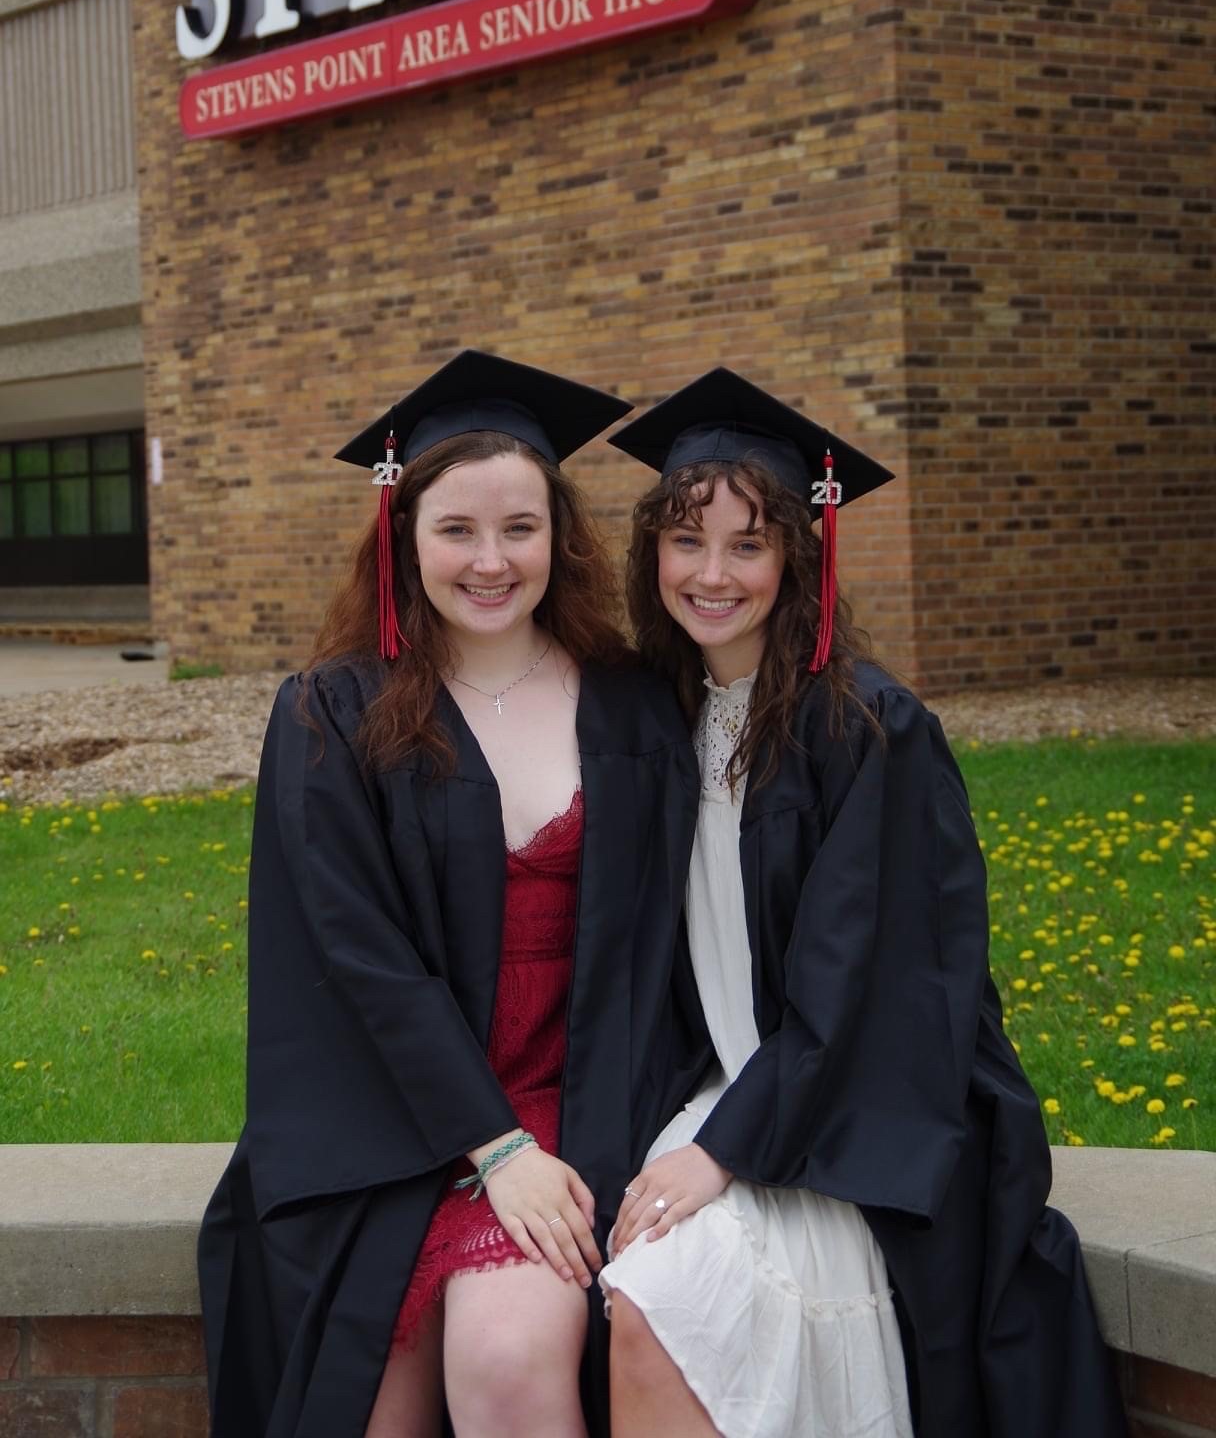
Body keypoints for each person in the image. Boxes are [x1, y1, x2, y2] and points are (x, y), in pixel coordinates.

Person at [599, 368, 1127, 1438]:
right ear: (650, 548)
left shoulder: (866, 731)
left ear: (800, 553)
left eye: (748, 544)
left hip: (856, 1120)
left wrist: (722, 1149)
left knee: (658, 1296)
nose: (711, 573)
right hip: (739, 1088)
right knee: (623, 1288)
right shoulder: (662, 714)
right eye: (687, 540)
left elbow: (868, 993)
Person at [197, 351, 700, 1438]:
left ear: (559, 536)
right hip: (394, 1115)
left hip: (584, 1097)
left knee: (508, 1362)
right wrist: (492, 1148)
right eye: (455, 530)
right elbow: (355, 954)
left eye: (518, 527)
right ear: (402, 535)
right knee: (365, 1404)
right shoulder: (334, 712)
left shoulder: (633, 705)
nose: (489, 560)